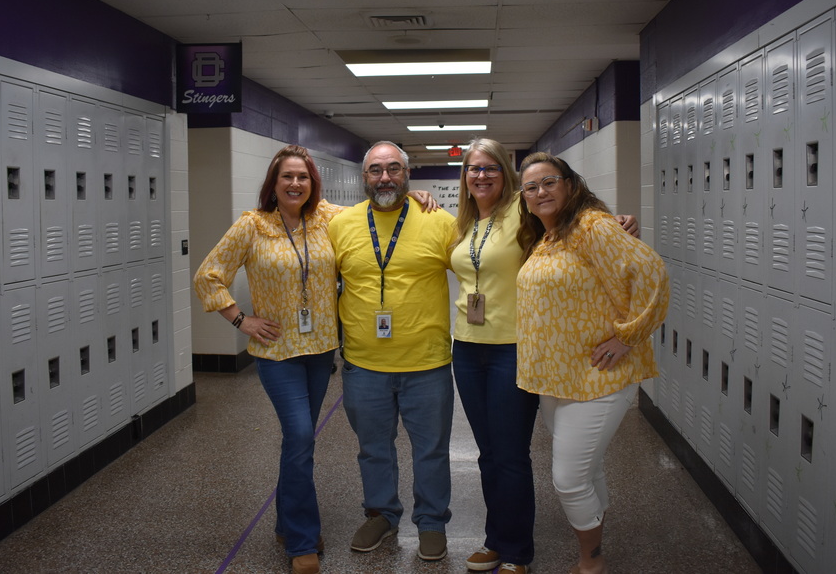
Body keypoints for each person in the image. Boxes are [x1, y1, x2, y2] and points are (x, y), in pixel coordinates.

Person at [193, 145, 436, 574]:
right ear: (274, 183)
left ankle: (287, 522)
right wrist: (240, 320)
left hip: (321, 350)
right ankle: (303, 540)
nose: (295, 184)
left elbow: (377, 203)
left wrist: (411, 198)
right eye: (287, 177)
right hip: (277, 353)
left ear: (313, 183)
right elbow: (208, 274)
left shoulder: (329, 218)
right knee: (302, 436)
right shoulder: (253, 226)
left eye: (303, 177)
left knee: (297, 442)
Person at [449, 139, 639, 574]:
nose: (481, 176)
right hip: (467, 347)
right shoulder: (459, 222)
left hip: (516, 347)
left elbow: (574, 218)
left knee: (510, 452)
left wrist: (618, 221)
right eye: (473, 169)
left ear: (506, 173)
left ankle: (516, 552)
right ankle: (494, 540)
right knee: (487, 452)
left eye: (491, 168)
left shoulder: (523, 208)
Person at [514, 152, 669, 574]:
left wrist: (627, 336)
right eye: (531, 187)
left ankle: (591, 560)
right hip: (558, 379)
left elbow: (652, 272)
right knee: (587, 468)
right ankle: (595, 536)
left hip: (597, 377)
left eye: (549, 181)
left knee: (568, 479)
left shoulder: (591, 226)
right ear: (524, 198)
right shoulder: (548, 236)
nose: (540, 191)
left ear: (569, 184)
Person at [327, 141, 458, 562]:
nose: (385, 177)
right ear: (363, 177)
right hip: (364, 366)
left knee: (432, 449)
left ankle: (432, 521)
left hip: (428, 365)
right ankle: (382, 514)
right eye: (376, 170)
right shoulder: (340, 224)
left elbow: (485, 261)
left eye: (394, 169)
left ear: (408, 174)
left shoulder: (439, 222)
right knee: (373, 448)